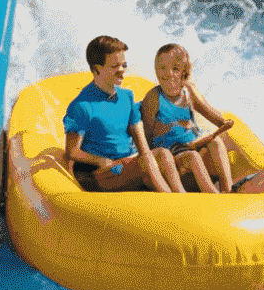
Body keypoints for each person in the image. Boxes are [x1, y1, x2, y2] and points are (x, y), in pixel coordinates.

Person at [63, 35, 185, 194]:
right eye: (114, 66)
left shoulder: (127, 96)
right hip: (101, 174)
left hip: (126, 165)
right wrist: (102, 160)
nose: (121, 71)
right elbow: (72, 151)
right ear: (97, 69)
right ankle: (175, 202)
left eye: (124, 65)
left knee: (162, 154)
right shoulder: (83, 106)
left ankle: (182, 197)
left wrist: (138, 159)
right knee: (148, 161)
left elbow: (142, 143)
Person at [141, 44, 237, 194]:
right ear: (156, 70)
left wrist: (224, 123)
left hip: (193, 146)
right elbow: (146, 138)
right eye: (162, 68)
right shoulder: (154, 98)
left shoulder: (189, 91)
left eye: (175, 68)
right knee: (192, 157)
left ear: (184, 73)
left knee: (216, 143)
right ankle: (213, 196)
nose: (168, 73)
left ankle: (229, 189)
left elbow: (210, 113)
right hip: (172, 157)